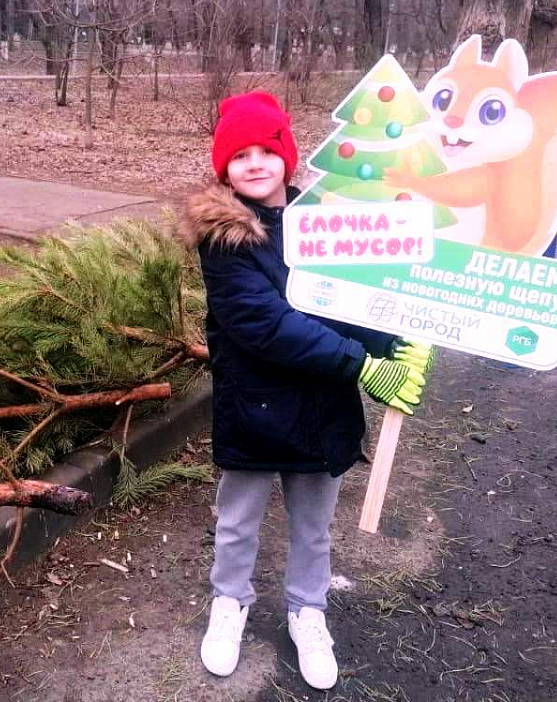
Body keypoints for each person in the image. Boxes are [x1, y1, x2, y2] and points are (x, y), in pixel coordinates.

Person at [179, 91, 433, 690]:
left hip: (322, 407)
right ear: (225, 169)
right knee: (238, 519)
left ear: (287, 156)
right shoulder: (224, 239)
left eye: (267, 149)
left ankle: (307, 609)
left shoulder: (328, 225)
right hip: (255, 404)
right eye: (240, 155)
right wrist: (361, 366)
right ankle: (230, 602)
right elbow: (266, 325)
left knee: (313, 525)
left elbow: (354, 299)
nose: (256, 163)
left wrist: (395, 340)